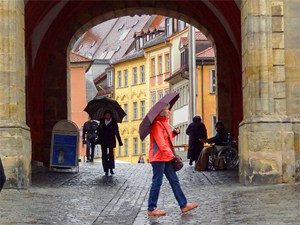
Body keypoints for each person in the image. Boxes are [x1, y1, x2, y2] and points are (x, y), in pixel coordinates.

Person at [147, 104, 198, 217]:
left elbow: (166, 139)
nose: (169, 111)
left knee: (174, 181)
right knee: (157, 183)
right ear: (161, 112)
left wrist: (174, 133)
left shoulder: (163, 123)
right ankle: (151, 208)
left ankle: (183, 205)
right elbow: (161, 144)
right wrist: (173, 156)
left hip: (166, 157)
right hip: (158, 158)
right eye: (167, 109)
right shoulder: (156, 125)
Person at [96, 110, 123, 176]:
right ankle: (105, 169)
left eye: (108, 115)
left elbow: (117, 132)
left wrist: (120, 141)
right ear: (104, 115)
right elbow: (98, 132)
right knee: (104, 155)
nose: (107, 116)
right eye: (106, 115)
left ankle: (111, 168)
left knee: (111, 155)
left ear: (110, 115)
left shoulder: (114, 122)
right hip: (103, 140)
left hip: (111, 140)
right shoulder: (102, 121)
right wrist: (99, 128)